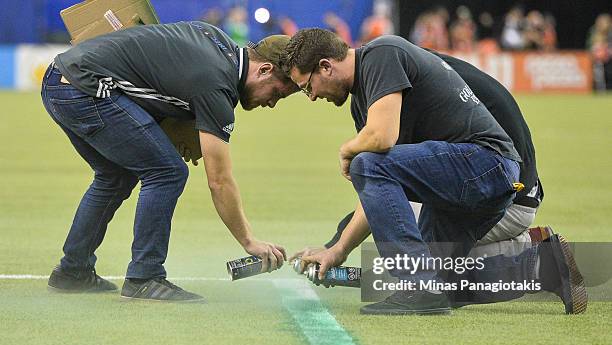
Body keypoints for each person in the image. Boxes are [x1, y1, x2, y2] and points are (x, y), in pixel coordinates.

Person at [281, 28, 586, 315]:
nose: (310, 96)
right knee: (438, 283)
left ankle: (416, 286)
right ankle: (542, 266)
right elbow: (377, 194)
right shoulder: (364, 102)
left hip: (485, 165)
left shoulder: (380, 54)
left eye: (308, 85)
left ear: (326, 66)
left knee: (367, 164)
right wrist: (338, 250)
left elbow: (380, 143)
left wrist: (347, 150)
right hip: (465, 183)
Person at [42, 22, 298, 302]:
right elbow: (219, 180)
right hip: (86, 89)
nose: (272, 103)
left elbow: (159, 69)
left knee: (115, 176)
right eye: (277, 93)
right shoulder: (217, 84)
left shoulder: (215, 37)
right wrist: (249, 241)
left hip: (61, 80)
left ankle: (72, 272)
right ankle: (144, 277)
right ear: (264, 70)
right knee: (167, 172)